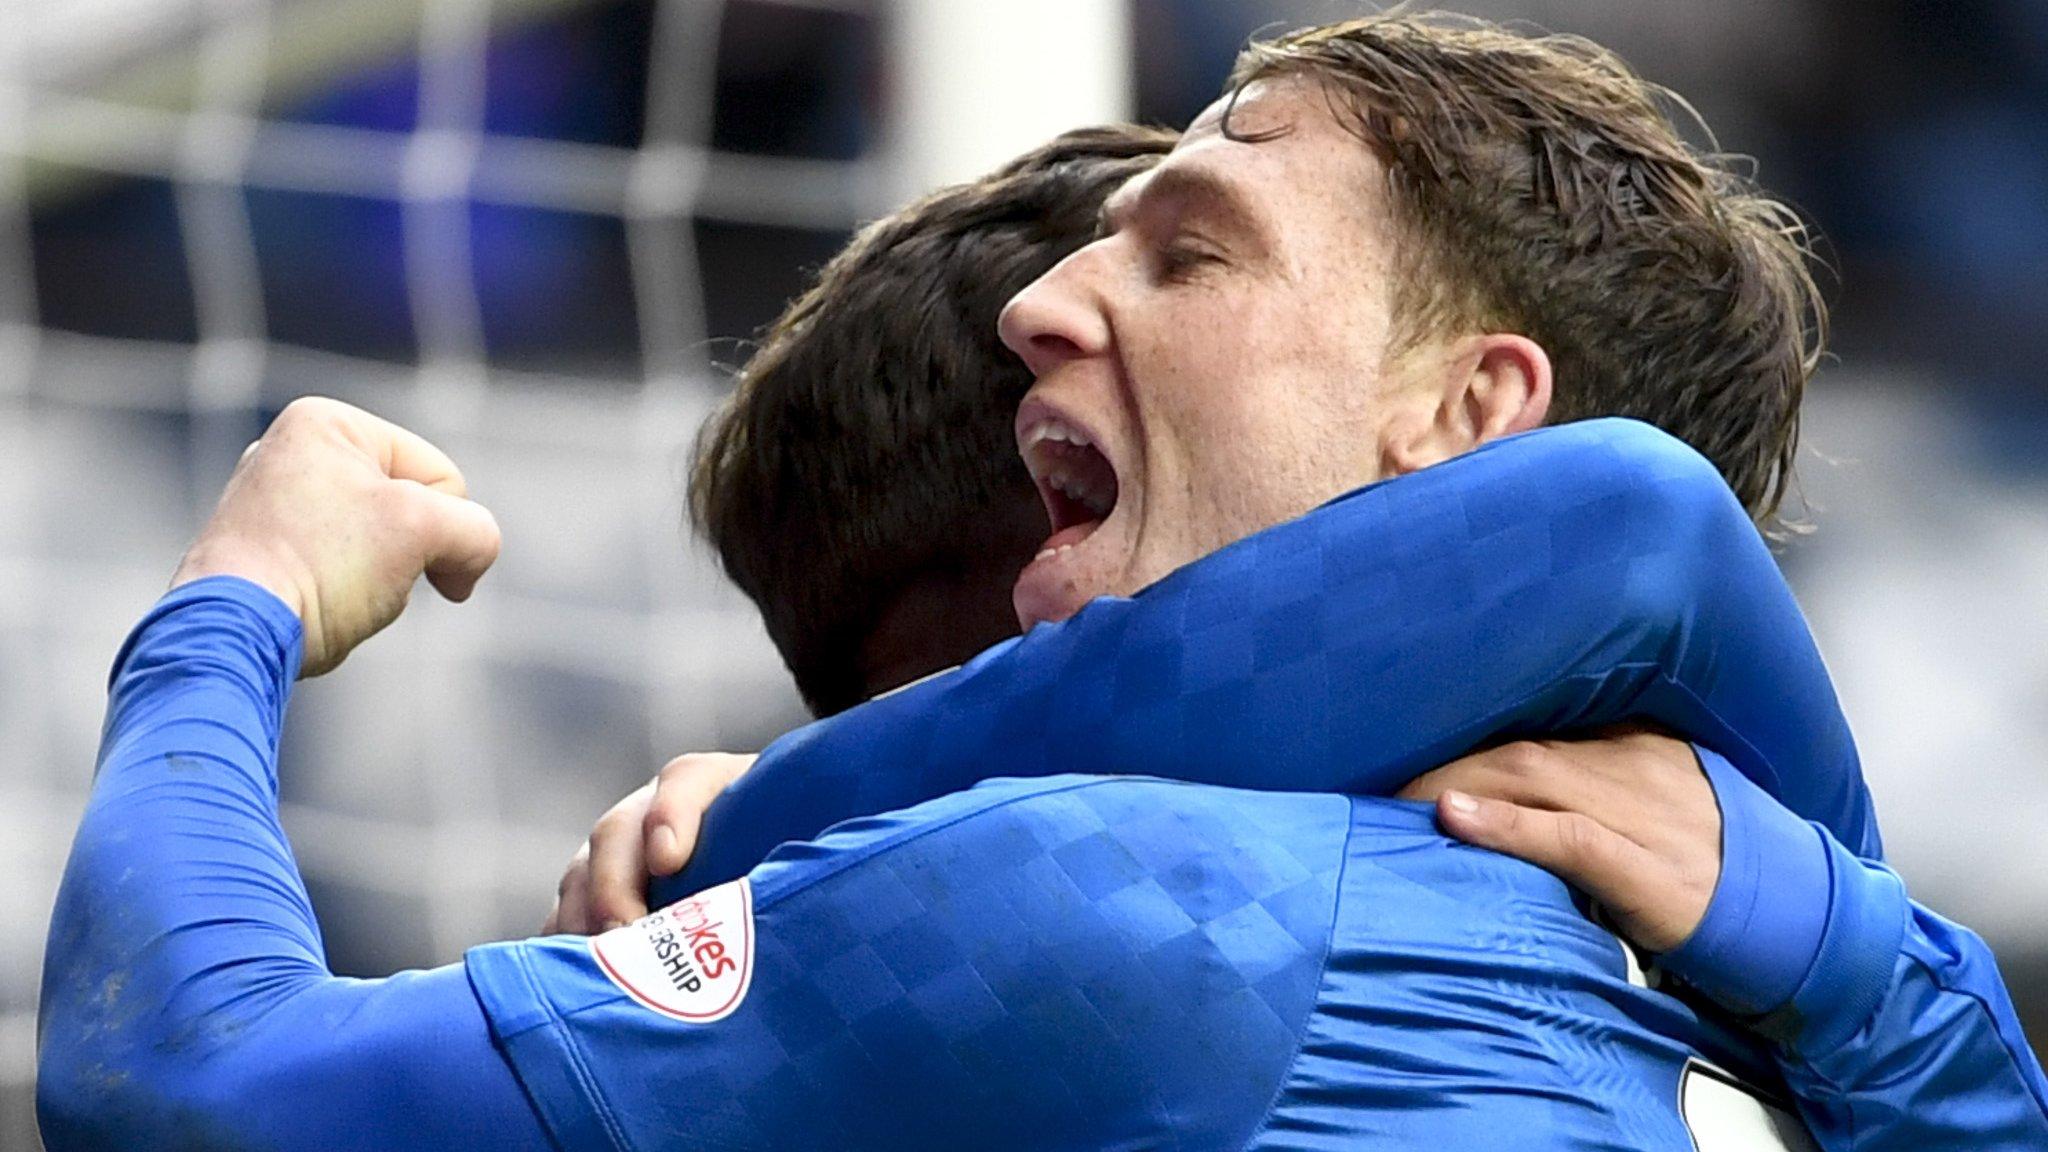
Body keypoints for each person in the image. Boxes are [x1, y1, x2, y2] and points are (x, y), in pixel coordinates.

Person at [36, 16, 2048, 1152]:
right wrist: (1858, 953)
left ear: (1458, 416)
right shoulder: (1834, 1007)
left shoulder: (1126, 906)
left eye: (1193, 252)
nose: (1056, 305)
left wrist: (232, 611)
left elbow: (182, 1089)